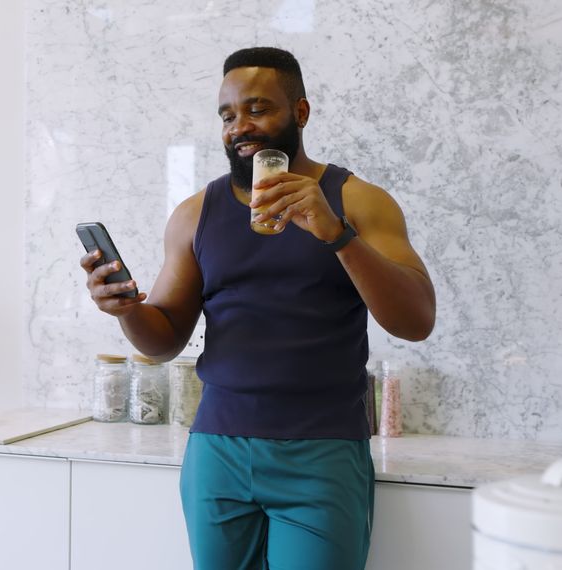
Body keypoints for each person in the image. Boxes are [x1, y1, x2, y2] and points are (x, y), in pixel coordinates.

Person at [80, 47, 435, 570]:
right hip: (217, 452)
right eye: (227, 115)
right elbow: (164, 340)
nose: (239, 126)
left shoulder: (358, 201)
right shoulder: (195, 214)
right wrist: (127, 309)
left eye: (258, 108)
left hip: (323, 452)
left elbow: (416, 321)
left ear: (300, 112)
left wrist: (336, 234)